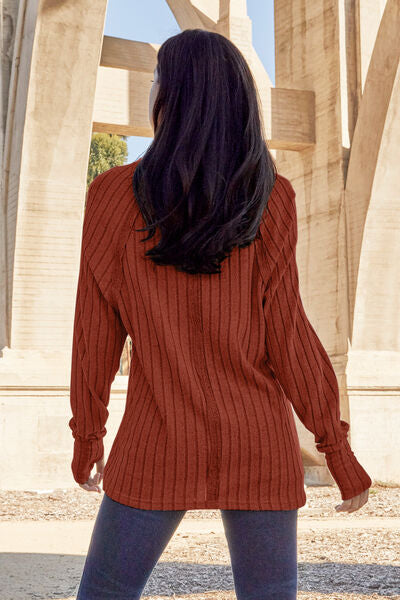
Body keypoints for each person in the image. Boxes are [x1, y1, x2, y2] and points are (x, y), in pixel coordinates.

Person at [69, 28, 372, 600]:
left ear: (171, 96)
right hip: (258, 443)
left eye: (157, 80)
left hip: (156, 441)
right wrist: (336, 448)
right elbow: (290, 336)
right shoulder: (270, 197)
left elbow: (94, 336)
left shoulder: (109, 197)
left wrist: (88, 436)